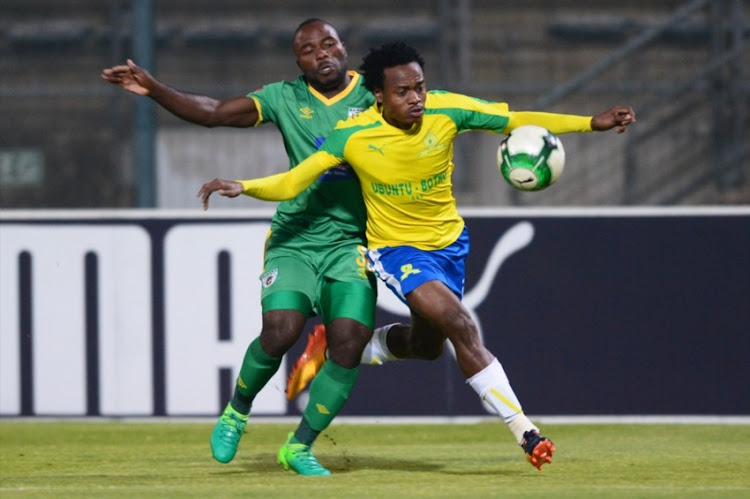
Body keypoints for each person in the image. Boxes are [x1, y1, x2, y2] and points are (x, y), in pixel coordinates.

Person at [198, 41, 636, 471]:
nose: (416, 99)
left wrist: (589, 123)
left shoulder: (446, 110)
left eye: (420, 87)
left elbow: (515, 119)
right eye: (403, 92)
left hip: (448, 246)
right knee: (460, 324)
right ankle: (526, 432)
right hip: (395, 250)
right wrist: (245, 186)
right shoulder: (353, 135)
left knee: (428, 346)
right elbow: (295, 182)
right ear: (379, 96)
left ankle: (353, 345)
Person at [102, 18, 388, 477]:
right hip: (296, 237)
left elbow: (426, 113)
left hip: (351, 241)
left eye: (329, 44)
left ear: (344, 47)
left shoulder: (375, 95)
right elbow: (215, 111)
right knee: (281, 329)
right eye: (309, 50)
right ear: (298, 62)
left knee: (350, 344)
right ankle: (237, 411)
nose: (322, 54)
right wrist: (155, 89)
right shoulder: (284, 97)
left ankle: (299, 446)